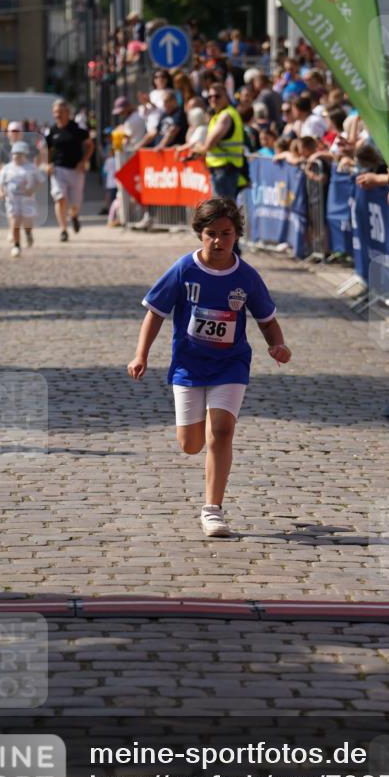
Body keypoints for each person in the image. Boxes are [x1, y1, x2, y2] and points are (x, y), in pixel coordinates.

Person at [127, 196, 291, 537]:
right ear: (199, 234)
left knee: (223, 431)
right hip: (188, 365)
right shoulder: (184, 270)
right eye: (211, 233)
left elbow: (267, 319)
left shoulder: (246, 276)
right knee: (190, 444)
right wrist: (141, 354)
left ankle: (212, 510)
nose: (218, 241)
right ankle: (202, 425)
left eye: (226, 233)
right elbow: (155, 313)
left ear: (237, 234)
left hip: (230, 364)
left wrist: (277, 345)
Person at [44, 99, 94, 241]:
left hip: (76, 170)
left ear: (67, 112)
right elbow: (45, 149)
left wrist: (84, 161)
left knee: (75, 203)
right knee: (60, 198)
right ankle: (63, 229)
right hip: (58, 169)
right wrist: (47, 164)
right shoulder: (52, 131)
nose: (57, 115)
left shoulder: (77, 130)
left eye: (60, 112)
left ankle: (74, 215)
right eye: (55, 112)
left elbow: (90, 145)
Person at [190, 82, 245, 200]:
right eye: (210, 97)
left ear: (226, 96)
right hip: (222, 169)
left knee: (221, 212)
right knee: (224, 211)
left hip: (225, 170)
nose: (213, 99)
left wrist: (198, 148)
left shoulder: (226, 115)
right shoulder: (219, 115)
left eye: (217, 96)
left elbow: (209, 145)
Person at [0, 140, 44, 257]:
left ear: (25, 155)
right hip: (12, 201)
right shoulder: (6, 168)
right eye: (14, 153)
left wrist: (32, 190)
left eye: (20, 153)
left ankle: (28, 233)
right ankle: (16, 246)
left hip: (27, 201)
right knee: (15, 223)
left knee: (28, 223)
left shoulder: (31, 167)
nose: (16, 156)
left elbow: (40, 181)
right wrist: (0, 193)